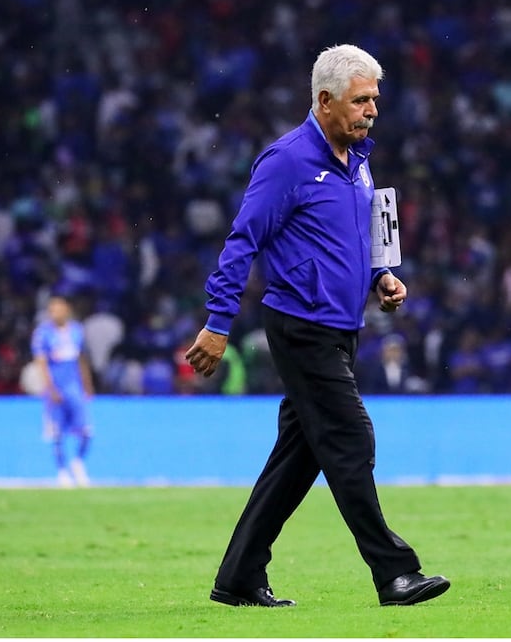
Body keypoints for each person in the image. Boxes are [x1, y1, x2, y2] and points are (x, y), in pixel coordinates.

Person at [184, 45, 449, 608]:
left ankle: (238, 577)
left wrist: (382, 276)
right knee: (352, 438)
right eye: (361, 100)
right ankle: (395, 573)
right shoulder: (287, 160)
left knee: (298, 457)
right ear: (325, 101)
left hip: (342, 325)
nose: (372, 109)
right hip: (301, 325)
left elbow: (359, 237)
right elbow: (243, 241)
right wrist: (217, 321)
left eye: (375, 98)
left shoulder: (358, 158)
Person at [31, 293, 95, 487]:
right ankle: (61, 472)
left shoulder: (76, 331)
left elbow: (81, 359)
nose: (54, 313)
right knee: (57, 434)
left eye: (58, 308)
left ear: (67, 309)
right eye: (51, 310)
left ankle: (77, 463)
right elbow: (41, 363)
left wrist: (87, 383)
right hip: (56, 390)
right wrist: (50, 389)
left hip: (74, 388)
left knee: (86, 431)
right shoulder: (43, 334)